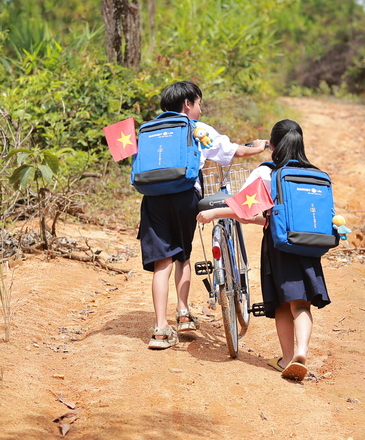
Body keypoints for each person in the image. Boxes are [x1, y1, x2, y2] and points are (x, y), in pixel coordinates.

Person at [196, 119, 331, 381]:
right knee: (301, 304)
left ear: (274, 145)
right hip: (310, 246)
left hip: (279, 245)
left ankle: (286, 358)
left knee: (281, 304)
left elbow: (245, 213)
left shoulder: (267, 173)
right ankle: (302, 351)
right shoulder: (313, 174)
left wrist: (214, 213)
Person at [139, 81, 268, 350]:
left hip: (152, 199)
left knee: (162, 263)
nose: (200, 109)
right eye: (199, 103)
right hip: (184, 195)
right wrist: (259, 147)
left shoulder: (150, 129)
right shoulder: (196, 128)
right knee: (182, 256)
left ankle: (160, 329)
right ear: (187, 103)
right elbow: (234, 151)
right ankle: (183, 313)